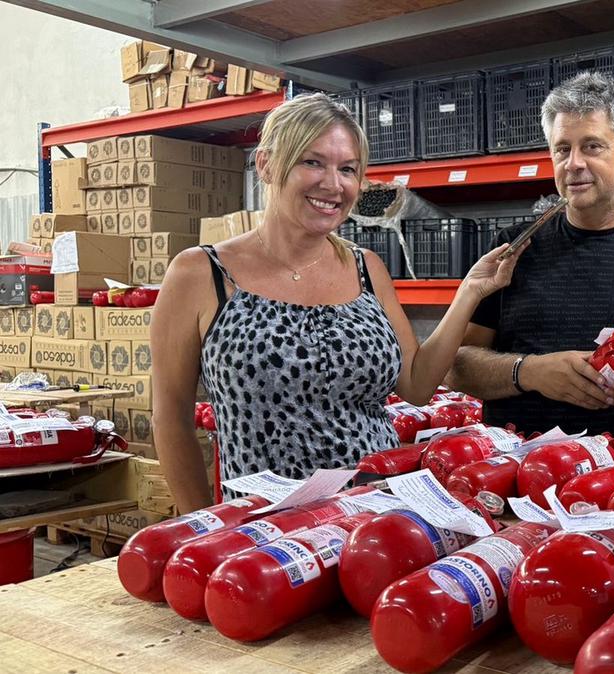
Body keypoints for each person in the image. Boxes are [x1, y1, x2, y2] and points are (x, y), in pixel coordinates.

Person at [152, 93, 525, 513]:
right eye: (312, 162)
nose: (334, 185)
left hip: (375, 516)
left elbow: (418, 385)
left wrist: (469, 292)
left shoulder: (366, 268)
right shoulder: (201, 273)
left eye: (347, 169)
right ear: (267, 165)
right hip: (264, 530)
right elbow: (171, 418)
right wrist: (203, 527)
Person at [448, 73, 614, 455]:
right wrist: (529, 372)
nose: (573, 164)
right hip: (516, 472)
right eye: (562, 149)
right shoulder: (513, 249)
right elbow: (457, 365)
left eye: (591, 146)